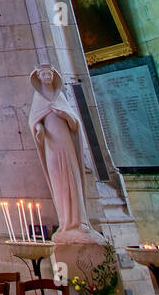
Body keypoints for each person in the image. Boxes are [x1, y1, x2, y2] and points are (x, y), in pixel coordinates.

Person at [28, 64, 104, 244]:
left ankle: (79, 220)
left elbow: (75, 124)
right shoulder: (38, 100)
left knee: (73, 178)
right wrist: (38, 128)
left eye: (49, 74)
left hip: (67, 147)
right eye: (43, 74)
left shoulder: (61, 97)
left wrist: (66, 115)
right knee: (58, 181)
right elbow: (34, 121)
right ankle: (66, 221)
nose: (46, 77)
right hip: (51, 147)